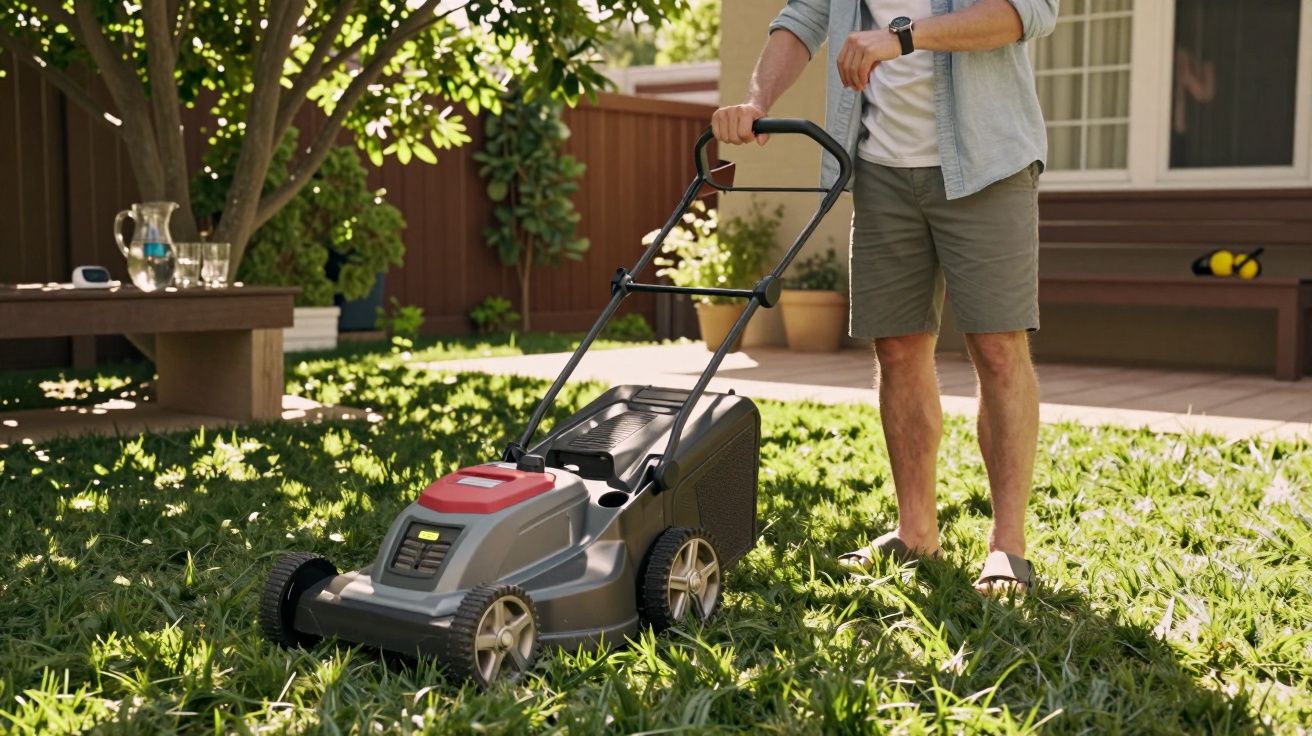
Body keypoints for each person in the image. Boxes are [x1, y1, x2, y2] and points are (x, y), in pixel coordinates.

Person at [712, 0, 1059, 594]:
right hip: (878, 165)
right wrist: (757, 102)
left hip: (987, 162)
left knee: (998, 348)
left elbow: (1027, 13)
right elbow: (801, 20)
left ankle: (1008, 546)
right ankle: (915, 529)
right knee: (897, 349)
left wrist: (902, 38)